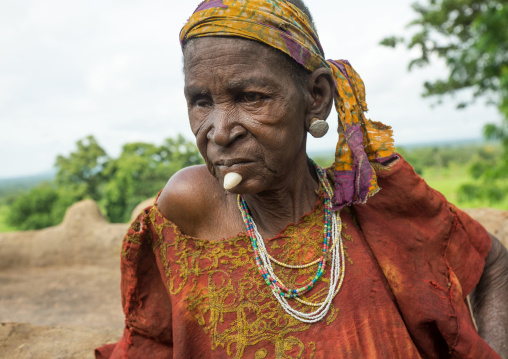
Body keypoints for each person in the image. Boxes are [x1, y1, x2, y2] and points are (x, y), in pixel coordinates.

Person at [95, 0, 508, 357]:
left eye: (251, 98)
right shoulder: (189, 208)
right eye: (201, 102)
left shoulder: (376, 204)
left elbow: (493, 264)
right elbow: (153, 341)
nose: (219, 132)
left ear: (316, 97)